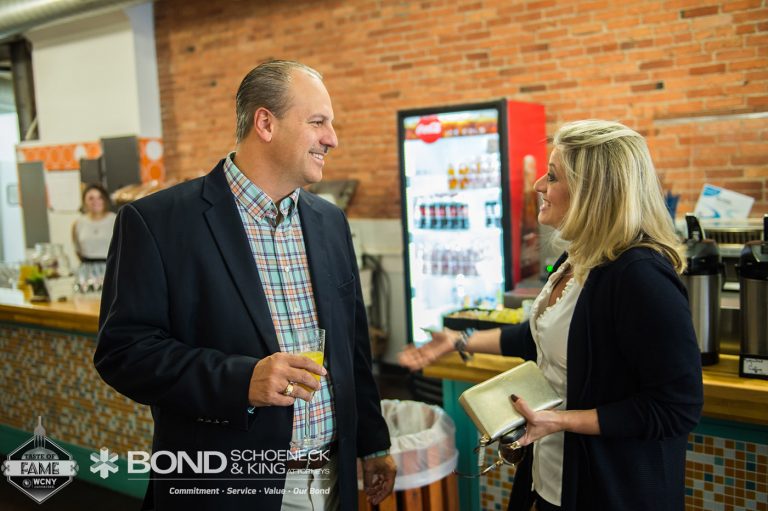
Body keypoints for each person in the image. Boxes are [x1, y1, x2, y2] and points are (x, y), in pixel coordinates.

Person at [95, 60, 396, 511]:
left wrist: (373, 442)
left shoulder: (330, 221)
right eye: (318, 122)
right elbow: (124, 353)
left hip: (333, 479)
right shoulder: (156, 222)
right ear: (265, 123)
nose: (332, 139)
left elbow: (352, 347)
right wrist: (241, 382)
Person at [399, 120, 704, 511]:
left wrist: (562, 421)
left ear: (593, 190)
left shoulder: (640, 276)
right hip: (553, 478)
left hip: (612, 492)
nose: (538, 185)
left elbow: (677, 407)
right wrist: (459, 340)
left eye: (553, 176)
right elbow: (540, 336)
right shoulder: (577, 257)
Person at [72, 184, 115, 263]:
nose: (96, 201)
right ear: (84, 201)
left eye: (100, 197)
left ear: (105, 200)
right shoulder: (78, 223)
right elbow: (77, 250)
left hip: (111, 266)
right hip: (87, 267)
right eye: (91, 198)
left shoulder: (115, 220)